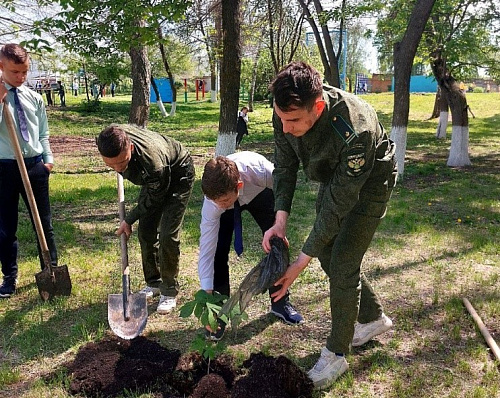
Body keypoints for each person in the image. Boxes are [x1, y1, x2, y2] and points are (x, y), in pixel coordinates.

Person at [263, 61, 397, 388]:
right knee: (326, 254)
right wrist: (279, 220)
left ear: (318, 106)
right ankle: (373, 318)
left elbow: (338, 205)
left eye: (293, 121)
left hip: (370, 183)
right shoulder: (285, 113)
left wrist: (298, 264)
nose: (285, 128)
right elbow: (284, 167)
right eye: (281, 119)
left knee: (342, 262)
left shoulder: (355, 128)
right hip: (335, 178)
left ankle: (336, 355)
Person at [198, 152, 304, 340]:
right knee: (218, 256)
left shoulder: (261, 171)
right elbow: (207, 250)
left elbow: (283, 190)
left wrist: (279, 225)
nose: (219, 205)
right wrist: (207, 295)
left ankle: (280, 303)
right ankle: (218, 314)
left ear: (238, 186)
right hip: (233, 201)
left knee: (276, 245)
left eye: (222, 201)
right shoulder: (214, 203)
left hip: (259, 192)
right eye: (215, 202)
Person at [96, 124, 195, 314]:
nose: (118, 168)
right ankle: (154, 282)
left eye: (122, 163)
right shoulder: (111, 137)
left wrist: (129, 219)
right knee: (146, 231)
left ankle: (169, 290)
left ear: (131, 147)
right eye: (111, 165)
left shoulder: (153, 163)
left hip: (178, 173)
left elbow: (154, 199)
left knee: (167, 234)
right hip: (153, 178)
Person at [0, 43, 59, 298]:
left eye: (24, 71)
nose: (21, 77)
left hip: (35, 166)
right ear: (1, 67)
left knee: (44, 223)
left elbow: (43, 133)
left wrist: (47, 159)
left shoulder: (33, 98)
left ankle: (51, 270)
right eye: (15, 72)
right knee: (5, 227)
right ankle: (9, 278)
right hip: (4, 168)